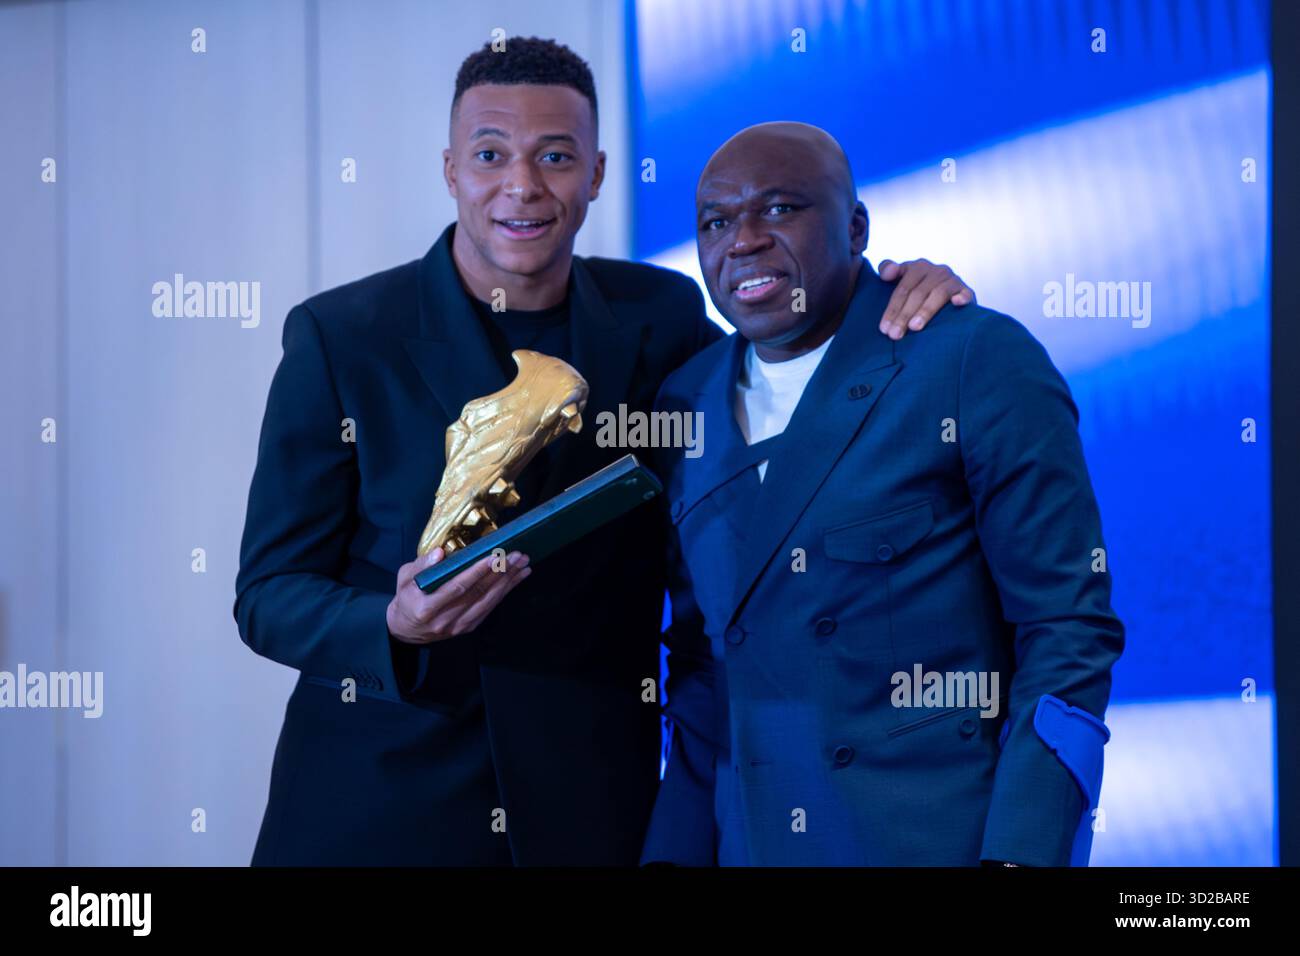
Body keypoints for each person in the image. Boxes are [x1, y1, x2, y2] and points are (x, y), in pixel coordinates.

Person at [234, 39, 974, 866]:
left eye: (555, 156)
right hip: (377, 806)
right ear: (451, 170)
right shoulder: (341, 338)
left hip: (592, 810)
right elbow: (268, 592)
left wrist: (895, 287)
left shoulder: (661, 316)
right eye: (490, 155)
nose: (523, 184)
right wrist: (392, 624)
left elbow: (791, 353)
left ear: (596, 173)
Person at [640, 122, 1124, 867]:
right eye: (716, 221)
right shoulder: (683, 404)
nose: (743, 241)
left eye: (779, 210)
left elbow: (1067, 632)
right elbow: (703, 674)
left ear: (856, 226)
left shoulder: (969, 358)